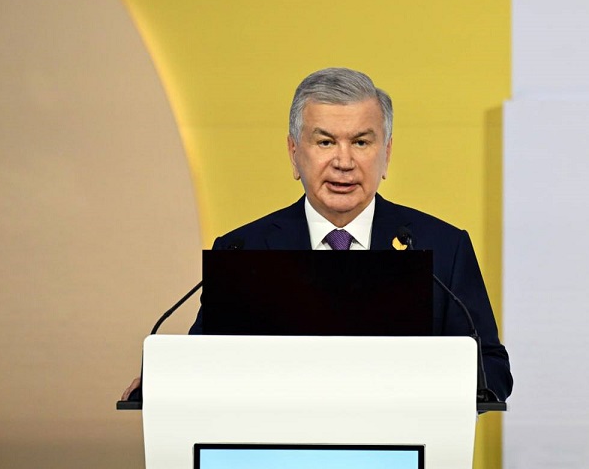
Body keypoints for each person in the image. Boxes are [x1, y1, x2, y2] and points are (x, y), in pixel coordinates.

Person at [122, 67, 512, 402]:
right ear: (294, 153)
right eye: (325, 142)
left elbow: (492, 370)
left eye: (361, 142)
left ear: (387, 154)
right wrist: (164, 382)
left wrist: (423, 386)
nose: (344, 161)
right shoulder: (244, 250)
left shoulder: (442, 248)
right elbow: (203, 362)